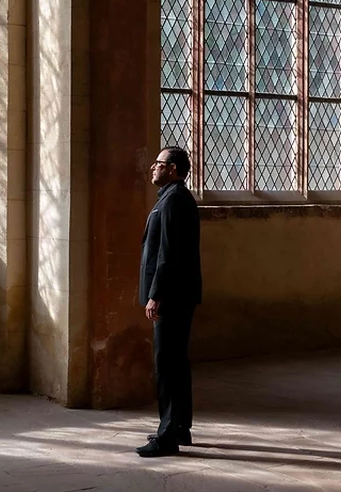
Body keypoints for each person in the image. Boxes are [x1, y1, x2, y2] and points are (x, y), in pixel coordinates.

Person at [135, 146, 202, 458]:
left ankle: (167, 436)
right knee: (176, 362)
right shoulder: (171, 197)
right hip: (177, 295)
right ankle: (178, 427)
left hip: (171, 297)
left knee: (167, 365)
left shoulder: (174, 200)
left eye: (159, 163)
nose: (153, 167)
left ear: (173, 169)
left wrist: (156, 294)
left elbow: (169, 254)